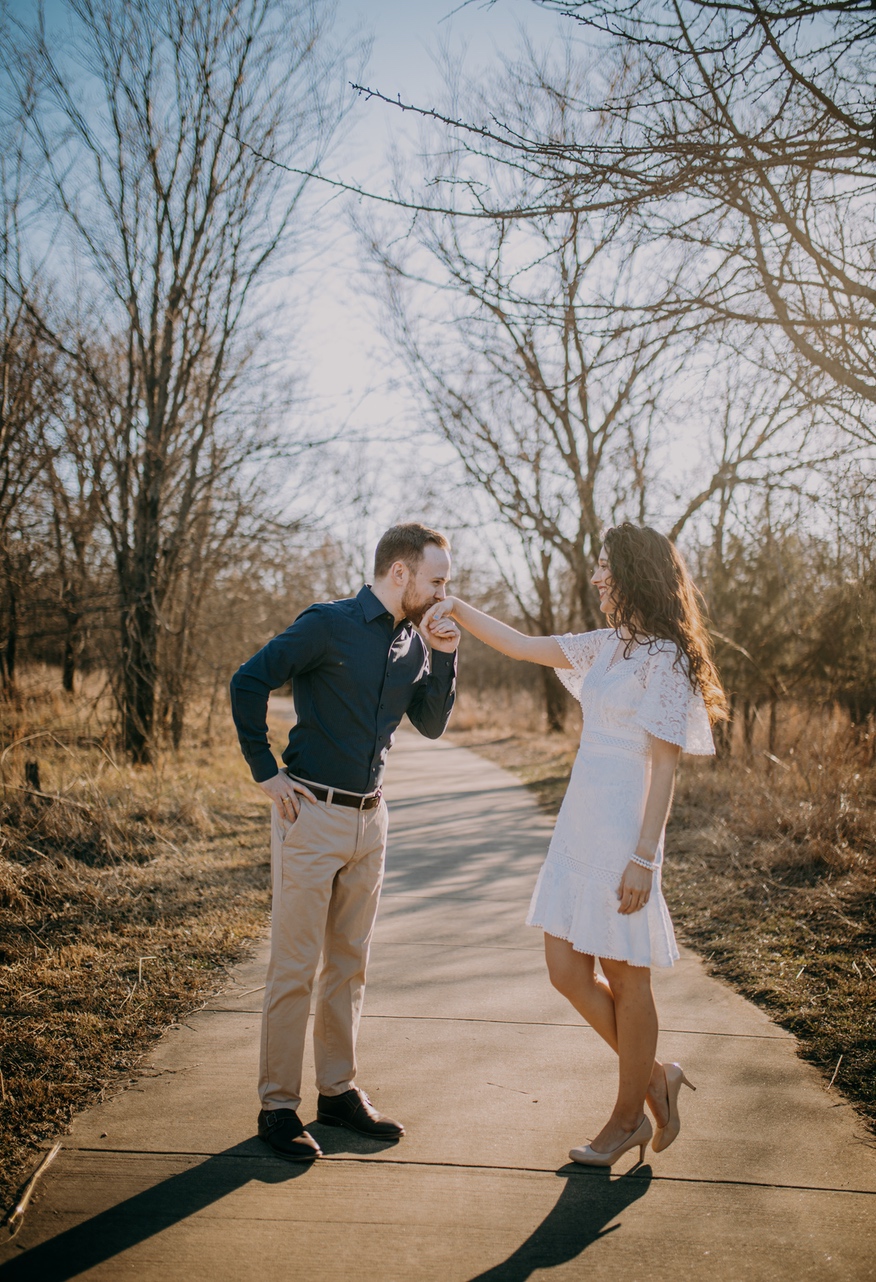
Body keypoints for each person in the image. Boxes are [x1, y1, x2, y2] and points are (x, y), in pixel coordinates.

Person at [422, 523, 726, 1166]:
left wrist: (645, 857)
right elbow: (522, 645)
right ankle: (654, 1078)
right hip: (579, 821)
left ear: (636, 573)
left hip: (624, 835)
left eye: (605, 566)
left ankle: (625, 1121)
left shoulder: (666, 658)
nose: (595, 577)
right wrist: (453, 607)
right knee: (565, 969)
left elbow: (665, 768)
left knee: (624, 974)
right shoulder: (607, 646)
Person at [230, 523, 460, 1161]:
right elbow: (247, 682)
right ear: (400, 575)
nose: (446, 592)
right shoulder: (326, 624)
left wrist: (444, 654)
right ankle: (278, 1106)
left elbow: (433, 724)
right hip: (310, 816)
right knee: (294, 967)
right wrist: (266, 774)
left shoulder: (415, 642)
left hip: (371, 821)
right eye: (437, 580)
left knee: (349, 966)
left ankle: (337, 1092)